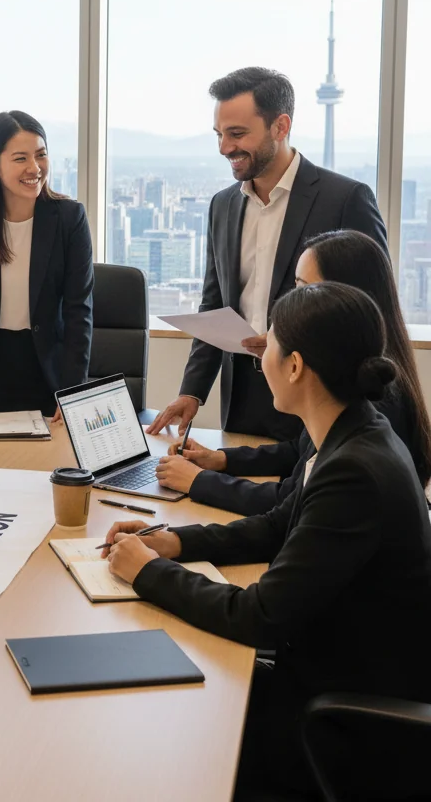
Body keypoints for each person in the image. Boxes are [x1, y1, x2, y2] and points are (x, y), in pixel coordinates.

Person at [104, 282, 431, 799]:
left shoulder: (355, 470)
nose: (262, 353)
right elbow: (276, 526)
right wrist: (172, 542)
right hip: (333, 663)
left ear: (296, 365)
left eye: (271, 342)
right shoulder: (349, 433)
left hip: (344, 712)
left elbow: (258, 616)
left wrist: (146, 573)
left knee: (171, 735)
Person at [147, 67, 387, 442]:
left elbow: (372, 310)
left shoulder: (345, 200)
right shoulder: (222, 206)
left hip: (318, 395)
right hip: (241, 398)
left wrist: (286, 336)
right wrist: (192, 391)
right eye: (220, 134)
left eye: (237, 134)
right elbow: (215, 303)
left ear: (281, 126)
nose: (225, 147)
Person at [156, 229, 431, 514]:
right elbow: (301, 451)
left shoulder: (372, 395)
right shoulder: (354, 370)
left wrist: (199, 481)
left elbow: (291, 501)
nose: (295, 300)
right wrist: (221, 460)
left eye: (304, 288)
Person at [0, 110, 93, 425]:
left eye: (41, 155)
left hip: (50, 374)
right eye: (21, 158)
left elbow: (79, 312)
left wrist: (72, 392)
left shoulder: (69, 218)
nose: (35, 168)